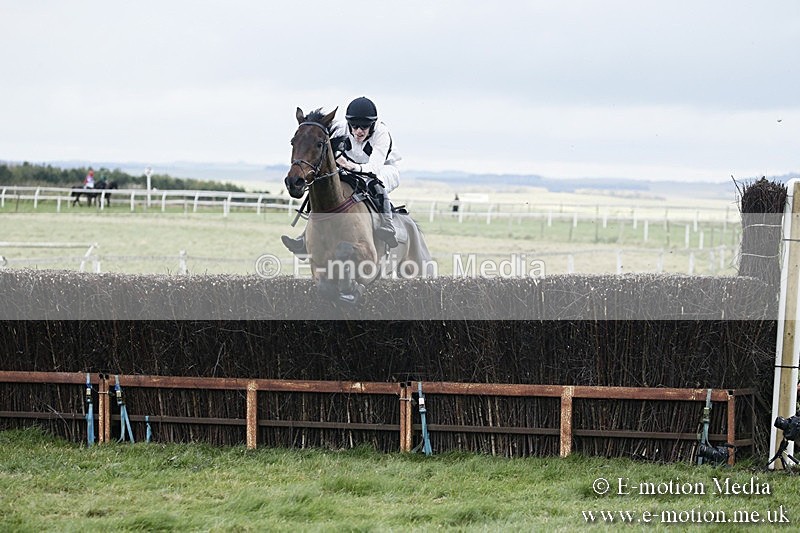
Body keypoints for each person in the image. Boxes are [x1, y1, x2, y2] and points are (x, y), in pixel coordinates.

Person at [281, 96, 400, 254]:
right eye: (355, 126)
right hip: (349, 166)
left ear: (373, 124)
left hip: (384, 169)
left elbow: (374, 168)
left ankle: (387, 224)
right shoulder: (340, 128)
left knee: (375, 181)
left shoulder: (382, 134)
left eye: (364, 127)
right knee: (326, 185)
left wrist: (351, 166)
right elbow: (316, 134)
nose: (359, 131)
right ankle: (305, 237)